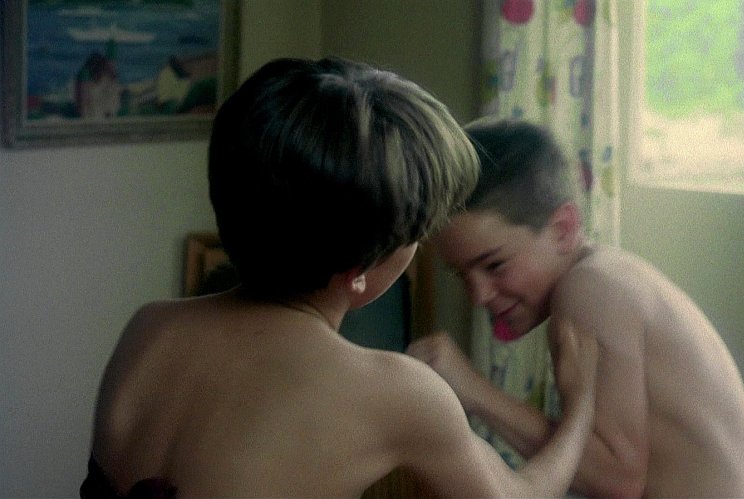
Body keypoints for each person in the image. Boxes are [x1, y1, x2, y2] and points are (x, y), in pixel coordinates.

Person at [80, 58, 599, 498]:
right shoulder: (395, 393)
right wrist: (579, 407)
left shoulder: (149, 329)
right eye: (415, 235)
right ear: (359, 272)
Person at [407, 117, 744, 498]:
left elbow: (617, 478)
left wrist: (473, 389)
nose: (478, 296)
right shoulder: (607, 274)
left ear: (563, 228)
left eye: (495, 265)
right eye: (461, 275)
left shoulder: (590, 290)